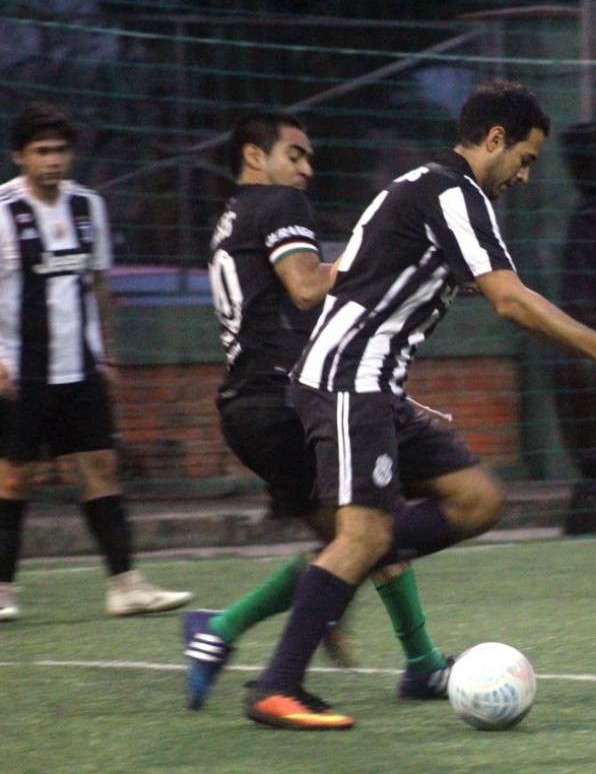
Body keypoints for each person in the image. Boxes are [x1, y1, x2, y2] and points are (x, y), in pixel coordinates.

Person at [243, 80, 596, 730]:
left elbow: (355, 278)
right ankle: (279, 684)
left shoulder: (422, 187)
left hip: (374, 383)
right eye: (524, 159)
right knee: (362, 535)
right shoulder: (451, 192)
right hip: (351, 379)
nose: (525, 176)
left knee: (477, 500)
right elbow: (510, 299)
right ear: (494, 140)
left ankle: (341, 569)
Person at [183, 111, 453, 709]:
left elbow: (299, 316)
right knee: (369, 534)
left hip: (250, 406)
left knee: (359, 538)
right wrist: (381, 262)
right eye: (295, 154)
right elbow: (308, 288)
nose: (307, 169)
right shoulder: (278, 204)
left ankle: (420, 662)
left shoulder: (231, 218)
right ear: (255, 157)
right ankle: (225, 629)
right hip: (287, 402)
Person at [0, 102, 193, 620]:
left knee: (100, 470)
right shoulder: (2, 212)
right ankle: (2, 591)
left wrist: (107, 353)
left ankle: (125, 584)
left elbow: (99, 286)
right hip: (21, 370)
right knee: (14, 477)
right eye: (42, 151)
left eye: (61, 150)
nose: (54, 161)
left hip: (81, 368)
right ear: (20, 156)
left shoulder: (88, 207)